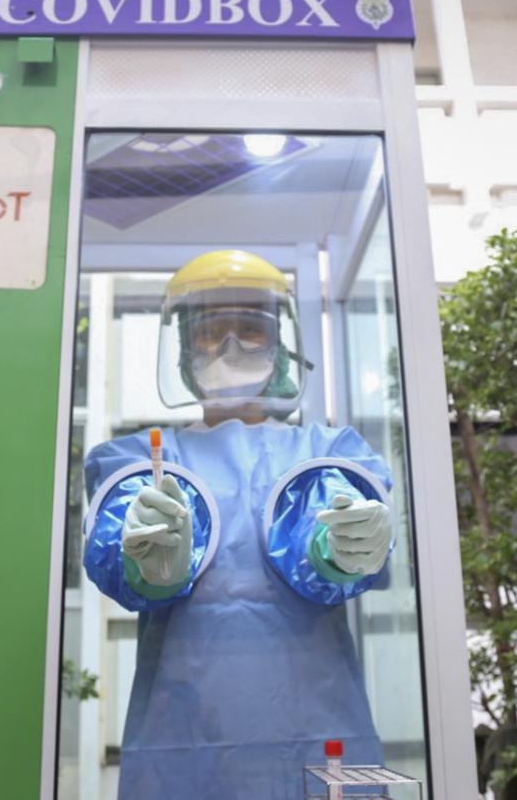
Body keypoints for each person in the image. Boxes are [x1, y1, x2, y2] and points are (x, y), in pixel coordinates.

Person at [83, 249, 396, 800]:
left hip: (316, 737)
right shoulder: (145, 458)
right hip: (185, 738)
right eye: (210, 332)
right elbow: (118, 543)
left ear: (280, 345)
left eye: (251, 329)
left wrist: (336, 546)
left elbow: (327, 516)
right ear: (182, 349)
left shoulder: (324, 452)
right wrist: (149, 560)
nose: (231, 347)